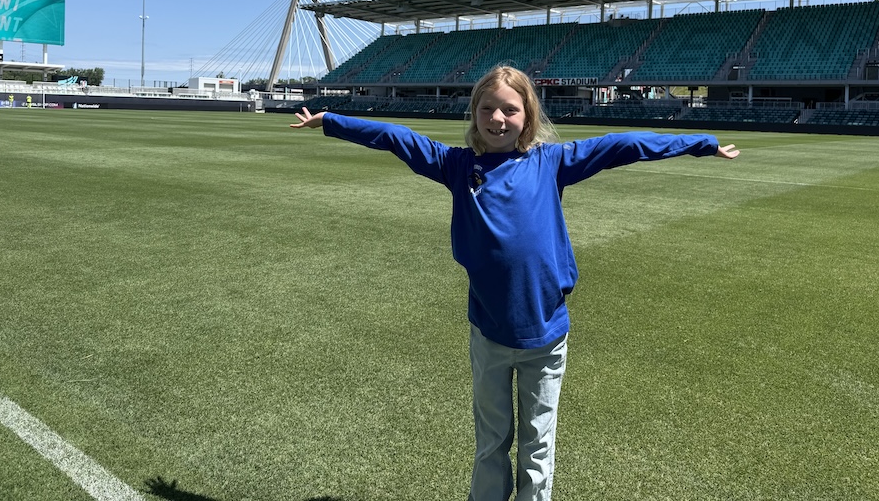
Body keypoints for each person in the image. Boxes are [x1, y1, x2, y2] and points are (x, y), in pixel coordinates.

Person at [291, 65, 739, 501]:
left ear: (528, 117)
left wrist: (702, 143)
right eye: (487, 109)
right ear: (475, 113)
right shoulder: (456, 165)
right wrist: (331, 119)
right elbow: (395, 138)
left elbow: (625, 145)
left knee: (537, 445)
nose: (497, 119)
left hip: (545, 335)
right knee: (490, 442)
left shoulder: (551, 162)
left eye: (510, 109)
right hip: (488, 334)